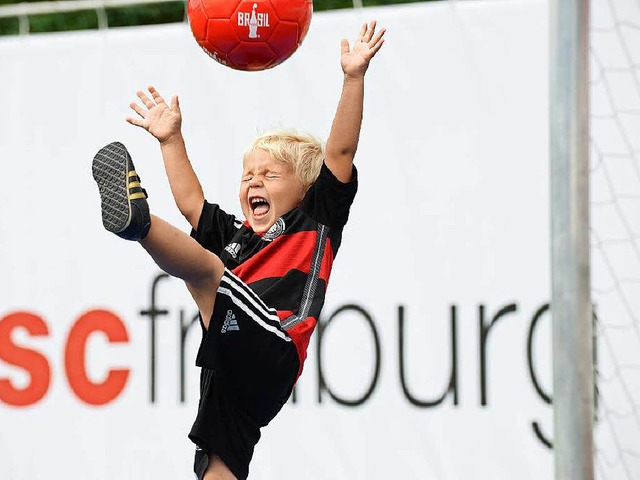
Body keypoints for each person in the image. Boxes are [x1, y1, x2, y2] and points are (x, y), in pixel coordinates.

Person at [92, 20, 385, 480]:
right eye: (248, 176)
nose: (253, 182)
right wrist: (170, 139)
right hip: (235, 370)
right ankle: (141, 224)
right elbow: (192, 204)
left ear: (305, 189)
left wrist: (353, 78)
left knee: (206, 275)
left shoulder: (317, 217)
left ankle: (140, 225)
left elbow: (341, 151)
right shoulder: (236, 237)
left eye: (269, 175)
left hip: (275, 343)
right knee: (217, 458)